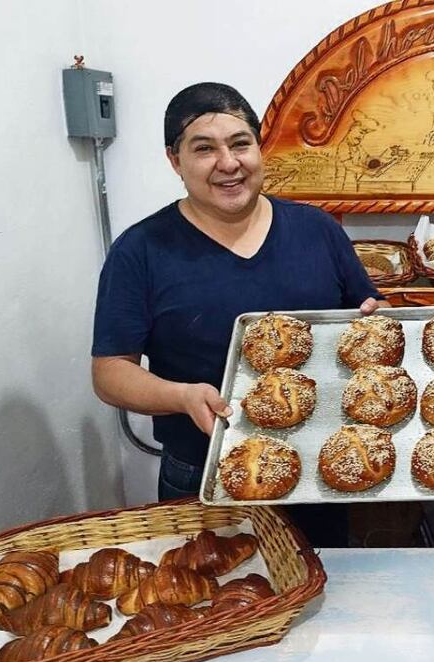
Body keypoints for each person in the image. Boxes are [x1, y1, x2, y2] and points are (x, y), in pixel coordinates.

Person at [91, 82, 387, 546]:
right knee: (214, 609)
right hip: (201, 471)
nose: (228, 164)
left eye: (240, 144)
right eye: (204, 149)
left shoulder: (317, 230)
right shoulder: (141, 250)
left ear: (259, 148)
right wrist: (182, 396)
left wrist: (379, 319)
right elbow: (110, 373)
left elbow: (371, 313)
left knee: (322, 604)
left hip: (322, 466)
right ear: (175, 160)